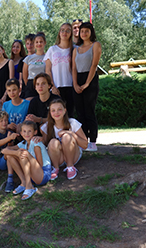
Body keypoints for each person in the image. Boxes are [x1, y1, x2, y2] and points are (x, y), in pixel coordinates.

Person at [2, 120, 51, 200]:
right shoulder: (23, 143)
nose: (27, 134)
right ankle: (24, 182)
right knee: (10, 155)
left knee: (23, 154)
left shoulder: (36, 143)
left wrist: (22, 154)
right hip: (31, 174)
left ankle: (30, 187)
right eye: (24, 131)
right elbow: (4, 150)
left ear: (35, 132)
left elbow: (40, 164)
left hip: (43, 174)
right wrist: (16, 153)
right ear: (21, 133)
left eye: (29, 131)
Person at [41, 98, 88, 180]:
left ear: (65, 110)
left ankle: (70, 167)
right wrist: (38, 138)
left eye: (59, 109)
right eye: (53, 110)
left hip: (73, 156)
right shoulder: (46, 126)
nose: (56, 113)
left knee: (66, 137)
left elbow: (85, 145)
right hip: (58, 158)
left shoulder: (73, 123)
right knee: (53, 142)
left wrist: (72, 133)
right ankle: (55, 168)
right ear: (50, 113)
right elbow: (44, 143)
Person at [72, 22, 101, 152]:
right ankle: (83, 141)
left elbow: (94, 65)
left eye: (86, 31)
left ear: (91, 32)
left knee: (89, 111)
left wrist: (87, 83)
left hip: (91, 80)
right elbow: (73, 68)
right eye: (82, 31)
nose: (84, 33)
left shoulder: (95, 45)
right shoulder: (75, 49)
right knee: (80, 112)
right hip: (77, 80)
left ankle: (93, 141)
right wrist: (75, 84)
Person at [44, 22, 75, 118]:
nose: (64, 32)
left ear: (71, 34)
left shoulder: (75, 49)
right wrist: (52, 86)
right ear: (59, 33)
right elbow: (48, 70)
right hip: (56, 87)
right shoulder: (52, 49)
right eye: (62, 30)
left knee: (69, 115)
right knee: (57, 115)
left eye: (68, 30)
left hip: (71, 86)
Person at [22, 32, 47, 100]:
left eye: (41, 42)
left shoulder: (48, 57)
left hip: (44, 84)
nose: (39, 44)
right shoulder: (28, 58)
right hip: (31, 85)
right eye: (37, 42)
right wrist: (30, 85)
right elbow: (24, 76)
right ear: (34, 44)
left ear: (45, 43)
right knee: (30, 107)